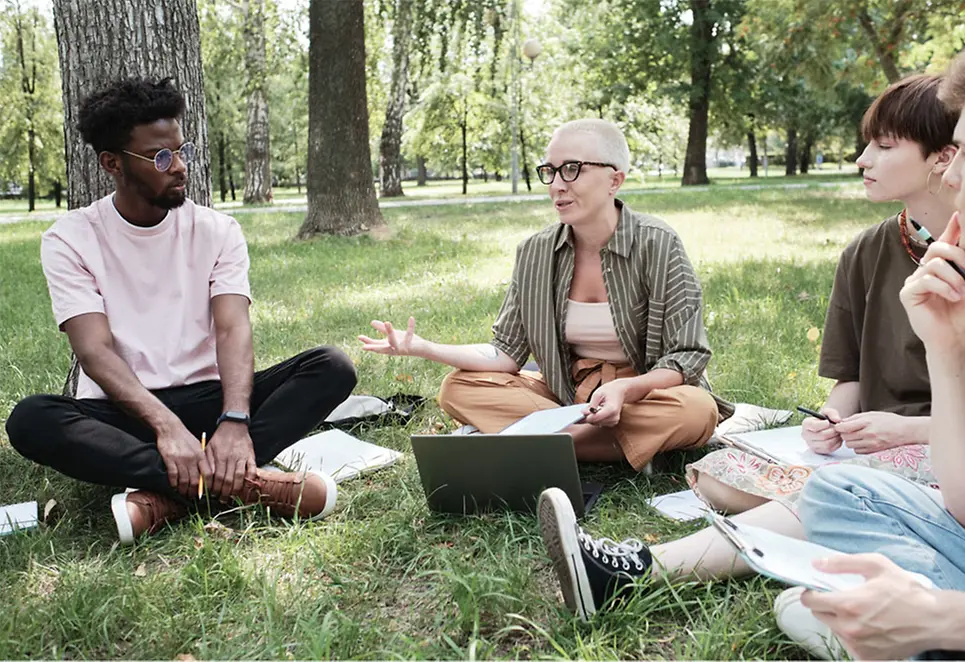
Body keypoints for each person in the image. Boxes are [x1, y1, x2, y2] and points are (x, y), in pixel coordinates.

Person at [536, 73, 965, 623]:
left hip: (944, 461)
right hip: (878, 454)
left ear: (943, 159)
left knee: (829, 502)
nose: (861, 159)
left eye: (884, 146)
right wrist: (832, 418)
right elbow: (846, 379)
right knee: (717, 475)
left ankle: (637, 569)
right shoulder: (868, 251)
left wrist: (906, 430)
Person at [4, 78, 357, 545]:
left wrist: (234, 421)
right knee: (30, 419)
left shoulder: (218, 231)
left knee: (331, 366)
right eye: (161, 157)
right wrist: (166, 428)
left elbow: (233, 330)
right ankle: (246, 485)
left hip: (210, 403)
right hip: (125, 413)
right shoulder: (70, 239)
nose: (180, 166)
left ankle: (170, 494)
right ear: (112, 163)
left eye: (181, 149)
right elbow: (95, 352)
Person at [780, 32, 965, 660]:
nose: (953, 174)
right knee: (835, 494)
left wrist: (943, 618)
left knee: (818, 602)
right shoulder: (873, 251)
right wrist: (949, 350)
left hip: (922, 456)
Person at [359, 118, 731, 471]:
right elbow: (506, 353)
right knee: (457, 387)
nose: (557, 184)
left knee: (697, 410)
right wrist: (424, 347)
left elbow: (687, 356)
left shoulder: (658, 243)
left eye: (573, 169)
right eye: (550, 171)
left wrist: (627, 388)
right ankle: (615, 448)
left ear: (614, 180)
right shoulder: (534, 252)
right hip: (566, 393)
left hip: (642, 393)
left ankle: (541, 440)